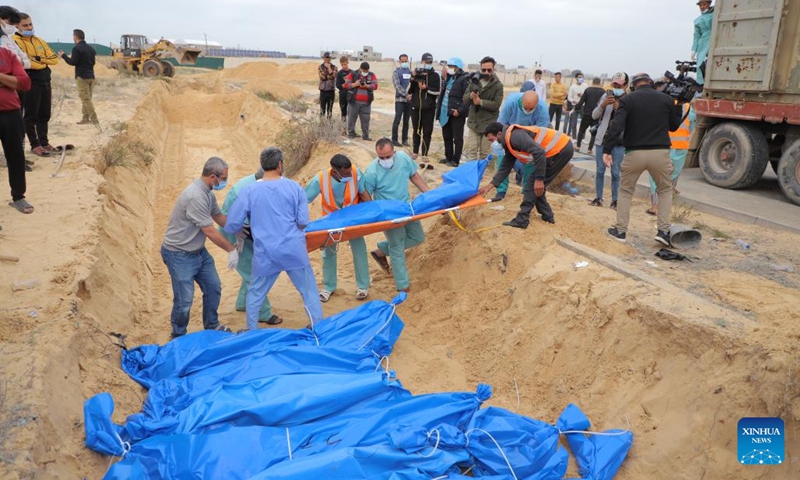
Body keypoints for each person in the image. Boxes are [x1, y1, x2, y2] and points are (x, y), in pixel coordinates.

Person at [224, 147, 324, 330]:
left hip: (266, 252)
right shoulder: (295, 188)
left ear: (262, 166)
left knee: (255, 293)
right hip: (293, 249)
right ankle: (318, 327)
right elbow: (303, 222)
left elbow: (231, 224)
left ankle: (252, 330)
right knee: (308, 290)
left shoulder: (249, 191)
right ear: (280, 165)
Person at [161, 157, 238, 338]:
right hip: (179, 254)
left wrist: (239, 228)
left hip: (198, 252)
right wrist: (231, 249)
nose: (225, 182)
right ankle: (178, 334)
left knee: (213, 287)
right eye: (224, 178)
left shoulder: (208, 194)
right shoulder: (195, 196)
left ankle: (211, 324)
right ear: (213, 177)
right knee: (184, 299)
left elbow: (218, 217)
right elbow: (210, 231)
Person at [603, 73, 683, 245]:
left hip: (634, 153)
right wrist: (679, 107)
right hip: (660, 153)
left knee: (625, 191)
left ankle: (620, 231)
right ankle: (663, 231)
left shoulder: (628, 100)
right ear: (651, 84)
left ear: (633, 85)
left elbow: (616, 126)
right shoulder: (666, 100)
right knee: (664, 190)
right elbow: (674, 127)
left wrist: (607, 150)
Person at [479, 122, 574, 228]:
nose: (492, 143)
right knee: (536, 187)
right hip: (559, 149)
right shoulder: (509, 142)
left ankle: (522, 219)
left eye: (492, 140)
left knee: (532, 185)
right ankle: (547, 216)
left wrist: (539, 178)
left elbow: (539, 152)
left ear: (500, 134)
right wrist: (489, 187)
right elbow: (505, 167)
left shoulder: (514, 137)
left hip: (560, 149)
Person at [219, 165, 281, 326]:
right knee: (254, 273)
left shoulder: (261, 186)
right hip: (235, 232)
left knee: (250, 266)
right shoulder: (244, 190)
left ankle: (242, 302)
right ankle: (264, 313)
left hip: (249, 233)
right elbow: (225, 217)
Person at [365, 138, 429, 292]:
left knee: (418, 237)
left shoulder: (403, 158)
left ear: (394, 152)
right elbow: (366, 196)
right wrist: (377, 216)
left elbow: (414, 175)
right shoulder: (371, 172)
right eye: (381, 157)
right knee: (397, 247)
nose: (385, 160)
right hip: (388, 214)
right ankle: (402, 285)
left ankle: (381, 251)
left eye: (388, 156)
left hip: (407, 207)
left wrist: (428, 194)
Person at [305, 154, 372, 301]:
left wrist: (371, 214)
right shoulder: (320, 179)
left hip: (352, 218)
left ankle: (363, 286)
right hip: (330, 221)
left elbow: (364, 194)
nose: (350, 175)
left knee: (359, 250)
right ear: (335, 171)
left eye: (350, 172)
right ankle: (329, 287)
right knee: (328, 254)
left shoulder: (356, 173)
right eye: (346, 173)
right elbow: (304, 199)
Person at [494, 88, 550, 200]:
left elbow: (542, 131)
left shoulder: (542, 108)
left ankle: (527, 191)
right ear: (521, 102)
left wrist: (531, 147)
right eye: (525, 108)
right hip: (510, 133)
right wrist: (502, 143)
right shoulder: (511, 103)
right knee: (502, 157)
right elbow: (501, 125)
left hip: (531, 136)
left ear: (536, 105)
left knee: (531, 162)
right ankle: (501, 190)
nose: (528, 111)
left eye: (531, 109)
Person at [14, 13, 58, 158]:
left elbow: (54, 59)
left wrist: (39, 58)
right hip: (30, 79)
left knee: (44, 113)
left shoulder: (39, 40)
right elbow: (24, 61)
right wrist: (41, 61)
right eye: (25, 25)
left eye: (30, 24)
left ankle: (44, 142)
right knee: (31, 114)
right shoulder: (14, 41)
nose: (29, 27)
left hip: (45, 78)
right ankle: (35, 145)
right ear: (16, 26)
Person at [0, 25, 32, 217]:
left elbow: (25, 82)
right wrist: (8, 79)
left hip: (11, 114)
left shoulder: (7, 55)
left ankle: (18, 196)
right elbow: (15, 81)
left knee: (16, 156)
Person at [589, 72, 629, 209]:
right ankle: (598, 197)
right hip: (602, 139)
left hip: (618, 142)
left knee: (616, 172)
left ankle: (615, 200)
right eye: (614, 83)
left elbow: (631, 122)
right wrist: (602, 106)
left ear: (626, 85)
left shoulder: (629, 100)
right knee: (600, 170)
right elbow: (594, 115)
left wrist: (621, 110)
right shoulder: (605, 96)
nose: (616, 86)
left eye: (619, 84)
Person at [647, 101, 694, 215]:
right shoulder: (688, 108)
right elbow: (691, 127)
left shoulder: (663, 104)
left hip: (663, 145)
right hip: (680, 147)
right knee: (672, 174)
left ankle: (656, 205)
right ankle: (666, 200)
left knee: (655, 175)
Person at [463, 56, 503, 161]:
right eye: (483, 69)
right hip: (474, 123)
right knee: (471, 151)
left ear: (493, 69)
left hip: (488, 125)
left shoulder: (498, 85)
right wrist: (470, 96)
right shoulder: (474, 81)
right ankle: (471, 174)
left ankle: (480, 174)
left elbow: (496, 104)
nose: (486, 72)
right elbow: (464, 98)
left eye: (489, 70)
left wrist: (480, 102)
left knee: (484, 154)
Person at [58, 29, 96, 125]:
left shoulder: (76, 48)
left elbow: (72, 62)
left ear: (75, 37)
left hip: (82, 77)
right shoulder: (91, 49)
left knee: (85, 98)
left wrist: (64, 56)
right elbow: (93, 62)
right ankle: (85, 118)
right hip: (91, 76)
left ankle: (94, 119)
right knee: (87, 98)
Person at [437, 57, 470, 167]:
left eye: (451, 66)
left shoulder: (464, 79)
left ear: (458, 68)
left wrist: (460, 111)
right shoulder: (449, 78)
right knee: (447, 136)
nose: (449, 68)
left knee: (457, 138)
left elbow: (467, 98)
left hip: (456, 113)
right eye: (449, 66)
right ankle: (448, 157)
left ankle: (456, 160)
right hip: (445, 111)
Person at [408, 52, 441, 157]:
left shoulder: (435, 76)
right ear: (421, 62)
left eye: (430, 62)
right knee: (416, 131)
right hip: (416, 108)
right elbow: (409, 91)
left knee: (427, 132)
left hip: (429, 109)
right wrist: (412, 78)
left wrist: (426, 89)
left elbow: (438, 92)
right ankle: (415, 152)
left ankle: (425, 154)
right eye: (426, 62)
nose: (428, 64)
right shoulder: (417, 74)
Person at [344, 61, 378, 140]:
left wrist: (367, 86)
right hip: (354, 102)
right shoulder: (353, 74)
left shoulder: (371, 75)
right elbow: (346, 85)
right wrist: (355, 84)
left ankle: (365, 135)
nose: (365, 73)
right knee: (351, 118)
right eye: (363, 71)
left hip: (366, 103)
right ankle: (351, 133)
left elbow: (375, 85)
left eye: (366, 71)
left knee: (366, 120)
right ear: (360, 68)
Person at [575, 77, 605, 153]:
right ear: (599, 83)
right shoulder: (603, 92)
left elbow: (581, 101)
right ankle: (590, 149)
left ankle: (578, 146)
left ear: (593, 82)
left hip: (587, 114)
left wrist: (577, 107)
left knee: (581, 130)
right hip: (597, 115)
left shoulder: (588, 90)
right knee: (594, 132)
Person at [391, 53, 412, 147]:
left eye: (405, 61)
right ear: (399, 61)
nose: (404, 63)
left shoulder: (410, 72)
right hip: (400, 100)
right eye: (402, 61)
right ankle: (394, 139)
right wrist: (406, 94)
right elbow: (397, 86)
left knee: (406, 121)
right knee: (397, 120)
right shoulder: (396, 72)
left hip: (409, 101)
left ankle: (405, 139)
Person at [692, 0, 714, 85]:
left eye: (704, 4)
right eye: (700, 5)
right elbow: (696, 35)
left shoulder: (714, 15)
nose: (702, 7)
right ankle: (701, 84)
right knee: (700, 65)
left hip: (714, 39)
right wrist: (694, 49)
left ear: (709, 4)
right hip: (703, 43)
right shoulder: (697, 20)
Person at [565, 71, 587, 137]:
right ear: (576, 78)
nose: (581, 79)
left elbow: (587, 95)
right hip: (574, 106)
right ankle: (574, 136)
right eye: (579, 77)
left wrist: (583, 96)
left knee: (584, 122)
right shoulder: (573, 87)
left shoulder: (586, 86)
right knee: (573, 122)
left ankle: (582, 137)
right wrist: (574, 101)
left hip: (583, 106)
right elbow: (569, 97)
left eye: (582, 77)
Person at [317, 52, 336, 118]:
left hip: (331, 91)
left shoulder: (334, 67)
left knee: (329, 110)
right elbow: (323, 77)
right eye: (326, 58)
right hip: (323, 91)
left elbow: (333, 77)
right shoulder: (320, 67)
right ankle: (322, 126)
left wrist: (329, 68)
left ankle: (329, 126)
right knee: (322, 110)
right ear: (323, 58)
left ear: (330, 58)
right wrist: (329, 75)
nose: (327, 59)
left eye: (329, 58)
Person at [335, 55, 351, 121]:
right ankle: (343, 130)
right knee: (343, 113)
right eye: (342, 65)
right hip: (343, 95)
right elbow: (337, 85)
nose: (344, 66)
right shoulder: (339, 73)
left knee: (351, 113)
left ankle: (350, 130)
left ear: (347, 63)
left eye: (345, 64)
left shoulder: (352, 72)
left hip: (351, 95)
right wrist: (343, 85)